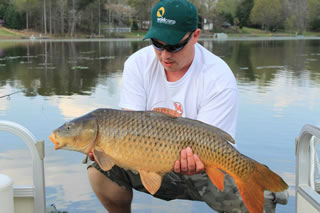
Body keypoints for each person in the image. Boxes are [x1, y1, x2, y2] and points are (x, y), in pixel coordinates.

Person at [87, 0, 288, 212]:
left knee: (261, 203)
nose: (165, 55)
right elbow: (129, 129)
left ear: (195, 36)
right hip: (149, 160)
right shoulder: (137, 65)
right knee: (99, 170)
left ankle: (260, 184)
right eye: (157, 43)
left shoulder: (218, 77)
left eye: (174, 45)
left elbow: (214, 141)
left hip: (204, 168)